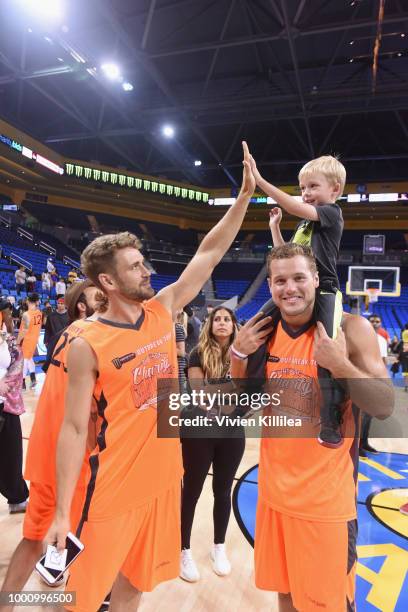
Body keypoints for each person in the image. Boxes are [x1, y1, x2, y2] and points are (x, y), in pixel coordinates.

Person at [46, 143, 255, 612]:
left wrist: (242, 199)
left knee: (135, 586)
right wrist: (61, 511)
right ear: (109, 283)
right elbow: (74, 429)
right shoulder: (87, 344)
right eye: (136, 266)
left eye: (144, 262)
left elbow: (211, 251)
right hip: (111, 488)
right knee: (75, 598)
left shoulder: (162, 310)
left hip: (163, 480)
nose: (149, 271)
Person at [230, 243, 394, 612]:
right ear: (270, 286)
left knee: (327, 605)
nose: (290, 288)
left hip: (325, 506)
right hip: (272, 496)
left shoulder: (351, 330)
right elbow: (238, 401)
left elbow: (383, 406)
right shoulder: (263, 333)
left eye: (299, 278)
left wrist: (340, 365)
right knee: (285, 595)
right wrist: (237, 355)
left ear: (316, 279)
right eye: (280, 280)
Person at [0, 281, 101, 601]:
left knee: (36, 540)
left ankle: (16, 598)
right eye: (98, 294)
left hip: (49, 457)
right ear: (82, 306)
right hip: (70, 460)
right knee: (80, 535)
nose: (107, 296)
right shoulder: (90, 339)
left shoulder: (71, 335)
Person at [248, 149, 346, 448]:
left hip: (325, 290)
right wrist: (274, 229)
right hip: (299, 287)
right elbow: (285, 257)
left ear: (335, 190)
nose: (306, 193)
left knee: (326, 353)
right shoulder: (304, 226)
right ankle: (248, 392)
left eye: (313, 187)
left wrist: (259, 180)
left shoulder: (331, 213)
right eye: (302, 188)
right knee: (256, 327)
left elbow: (291, 206)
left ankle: (331, 420)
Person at [180, 307, 244, 582]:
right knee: (191, 490)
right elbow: (200, 395)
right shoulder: (197, 353)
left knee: (223, 491)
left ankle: (219, 547)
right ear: (209, 324)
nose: (221, 323)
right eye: (216, 319)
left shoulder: (243, 356)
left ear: (233, 325)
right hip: (198, 429)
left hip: (231, 433)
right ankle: (183, 549)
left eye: (226, 319)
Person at [0, 308, 28, 515]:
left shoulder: (9, 342)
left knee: (10, 453)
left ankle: (17, 498)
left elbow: (18, 366)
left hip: (5, 404)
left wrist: (4, 385)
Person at [16, 293, 42, 390]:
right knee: (29, 359)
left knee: (24, 361)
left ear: (28, 301)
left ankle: (22, 383)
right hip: (34, 339)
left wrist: (18, 341)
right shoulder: (39, 312)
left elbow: (24, 330)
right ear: (36, 302)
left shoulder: (26, 314)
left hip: (27, 340)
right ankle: (33, 379)